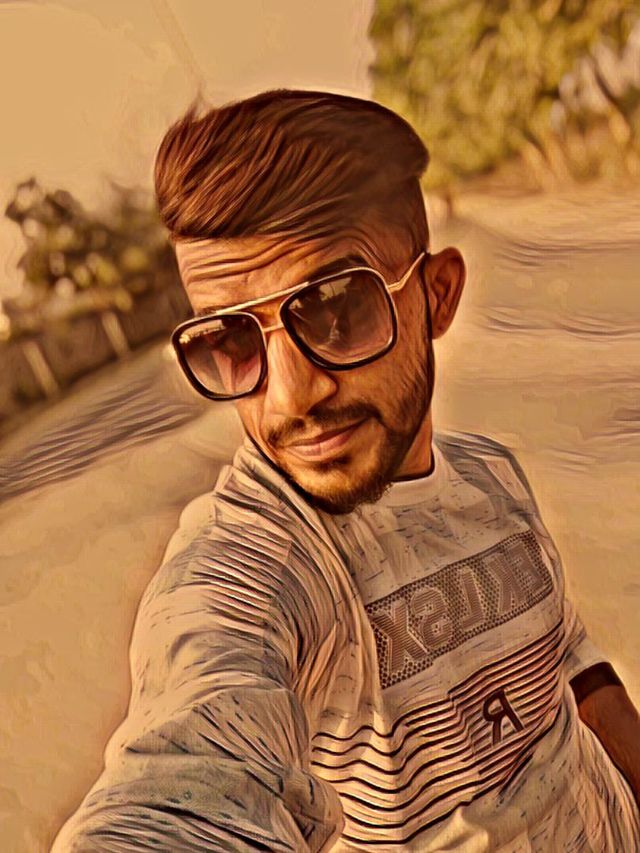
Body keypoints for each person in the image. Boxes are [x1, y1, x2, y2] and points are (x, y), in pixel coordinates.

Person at [51, 90, 640, 852]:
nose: (290, 395)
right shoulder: (262, 561)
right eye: (232, 341)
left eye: (335, 309)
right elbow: (184, 773)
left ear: (436, 295)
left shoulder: (492, 476)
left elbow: (573, 664)